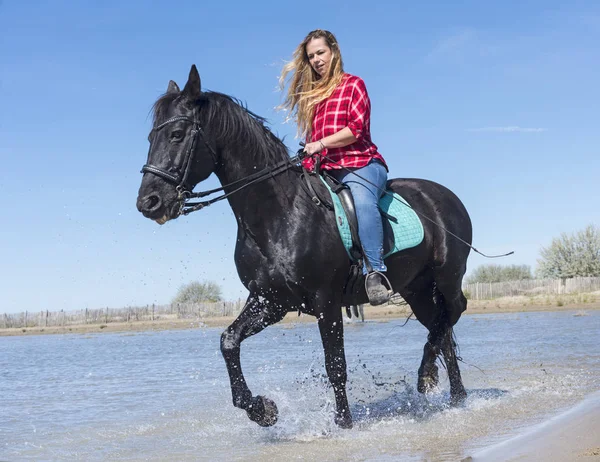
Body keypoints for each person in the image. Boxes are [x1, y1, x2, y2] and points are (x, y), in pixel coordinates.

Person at [279, 29, 390, 305]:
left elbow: (355, 130)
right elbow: (311, 141)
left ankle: (376, 272)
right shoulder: (311, 96)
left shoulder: (354, 85)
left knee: (363, 204)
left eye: (321, 53)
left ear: (334, 52)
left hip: (360, 163)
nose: (316, 60)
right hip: (323, 168)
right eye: (311, 56)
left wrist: (321, 144)